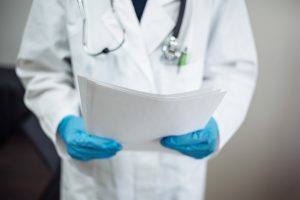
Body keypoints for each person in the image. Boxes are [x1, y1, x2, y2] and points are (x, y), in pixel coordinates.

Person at [16, 0, 257, 199]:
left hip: (175, 181)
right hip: (96, 182)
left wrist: (217, 121)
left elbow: (233, 68)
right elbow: (42, 67)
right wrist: (62, 120)